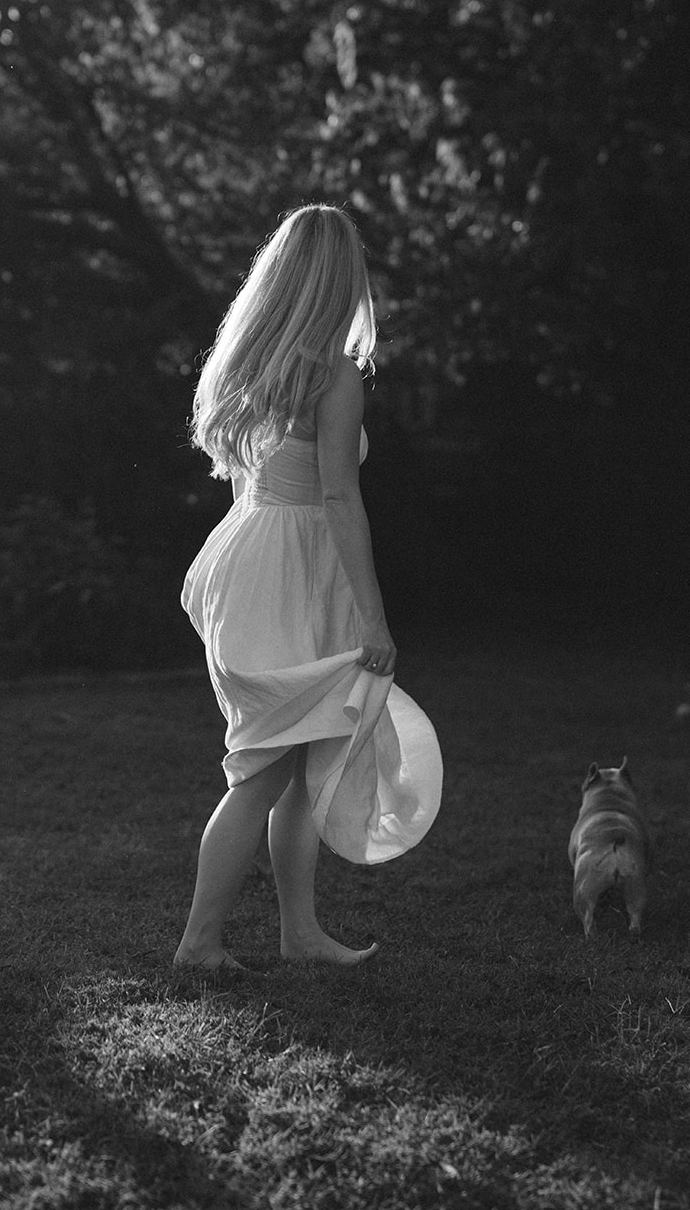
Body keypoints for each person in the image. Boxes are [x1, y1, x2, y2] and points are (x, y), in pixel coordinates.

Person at [174, 203, 442, 971]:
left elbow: (250, 489)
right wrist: (375, 619)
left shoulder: (255, 363)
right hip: (290, 569)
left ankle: (300, 934)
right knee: (262, 768)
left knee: (298, 763)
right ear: (342, 279)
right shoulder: (334, 372)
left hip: (252, 557)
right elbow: (336, 497)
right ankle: (198, 944)